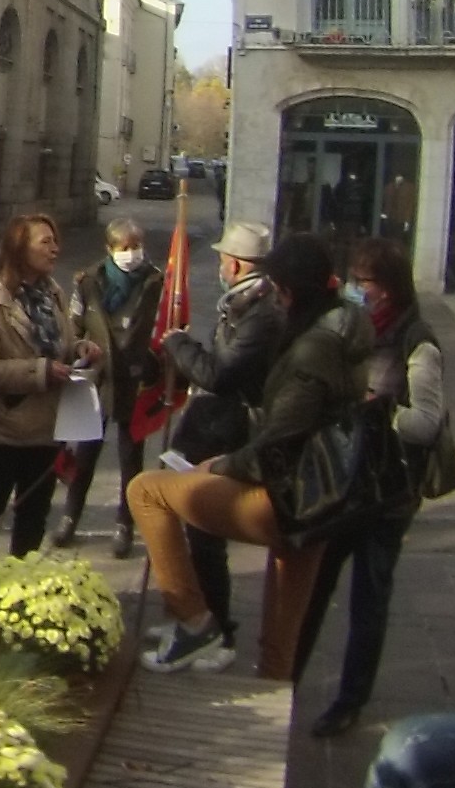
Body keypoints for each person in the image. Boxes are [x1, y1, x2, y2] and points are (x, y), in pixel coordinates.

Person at [130, 233, 368, 678]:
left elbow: (279, 441)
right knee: (279, 648)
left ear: (290, 292)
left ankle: (195, 622)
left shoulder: (313, 350)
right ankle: (270, 686)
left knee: (147, 491)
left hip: (290, 497)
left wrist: (220, 465)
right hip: (324, 500)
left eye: (276, 288)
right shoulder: (346, 328)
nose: (272, 297)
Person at [293, 236, 453, 734]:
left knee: (369, 596)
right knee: (313, 585)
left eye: (368, 282)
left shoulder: (417, 342)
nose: (360, 289)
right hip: (343, 483)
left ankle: (350, 701)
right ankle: (286, 676)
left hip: (387, 494)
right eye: (357, 280)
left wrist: (377, 410)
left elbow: (425, 422)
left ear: (391, 287)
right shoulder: (353, 328)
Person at [161, 220, 286, 661]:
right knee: (196, 527)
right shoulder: (245, 302)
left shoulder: (261, 313)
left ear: (234, 265)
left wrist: (179, 345)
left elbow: (221, 374)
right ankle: (196, 618)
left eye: (222, 260)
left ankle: (215, 628)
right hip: (220, 425)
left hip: (236, 432)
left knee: (206, 531)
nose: (219, 267)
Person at [0, 214, 102, 571]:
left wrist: (79, 349)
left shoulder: (54, 294)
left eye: (55, 241)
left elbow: (61, 344)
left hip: (45, 435)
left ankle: (21, 591)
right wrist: (40, 372)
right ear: (19, 248)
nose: (55, 249)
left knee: (32, 523)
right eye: (45, 242)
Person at [53, 217, 165, 556]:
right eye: (124, 247)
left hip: (135, 376)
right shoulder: (89, 281)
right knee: (86, 451)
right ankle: (70, 516)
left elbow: (165, 324)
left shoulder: (155, 281)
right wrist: (76, 350)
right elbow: (74, 323)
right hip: (98, 375)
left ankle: (125, 523)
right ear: (110, 249)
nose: (131, 254)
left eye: (136, 246)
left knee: (131, 456)